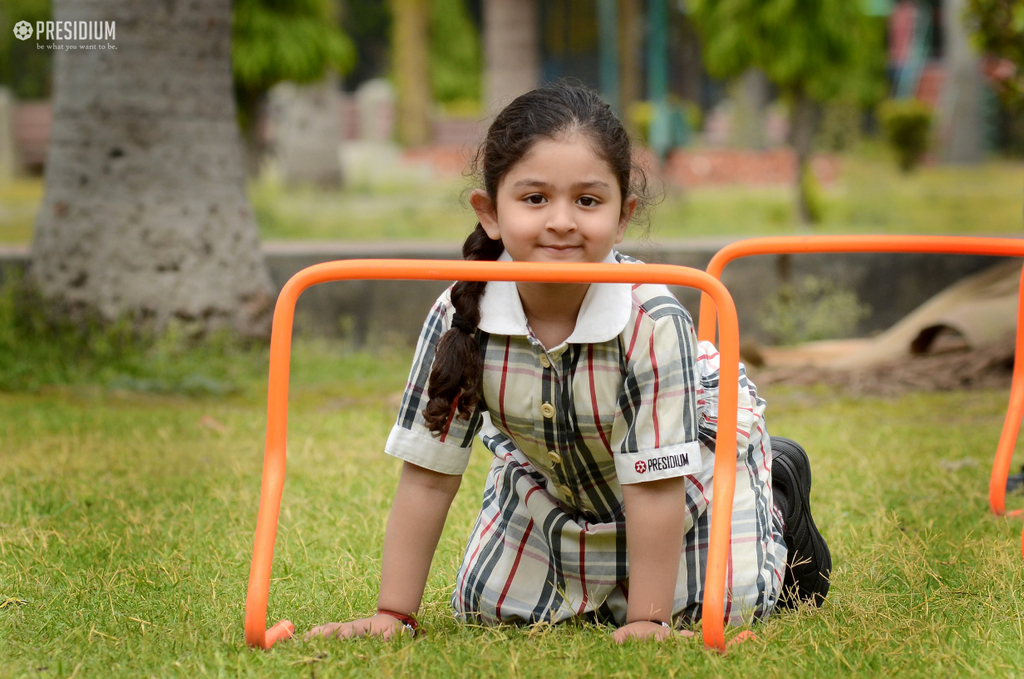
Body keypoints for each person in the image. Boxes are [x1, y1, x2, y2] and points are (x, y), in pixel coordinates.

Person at [307, 84, 831, 644]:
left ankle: (773, 491)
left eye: (588, 201)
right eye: (534, 199)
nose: (561, 221)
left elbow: (656, 489)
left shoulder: (652, 321)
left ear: (623, 215)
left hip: (683, 476)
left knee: (720, 610)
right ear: (489, 212)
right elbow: (429, 474)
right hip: (560, 486)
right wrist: (394, 613)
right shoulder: (459, 315)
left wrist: (648, 620)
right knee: (485, 607)